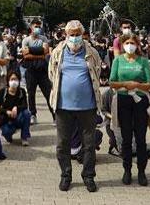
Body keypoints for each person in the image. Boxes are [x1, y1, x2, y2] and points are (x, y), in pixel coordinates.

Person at [49, 20, 103, 193]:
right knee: (62, 144)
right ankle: (66, 175)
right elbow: (52, 74)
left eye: (77, 34)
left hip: (87, 107)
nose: (74, 38)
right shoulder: (58, 52)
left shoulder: (91, 52)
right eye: (71, 34)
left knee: (89, 144)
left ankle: (88, 176)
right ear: (66, 35)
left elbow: (97, 72)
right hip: (63, 106)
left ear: (82, 34)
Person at [109, 33, 150, 186]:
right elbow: (112, 82)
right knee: (126, 139)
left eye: (132, 42)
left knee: (141, 139)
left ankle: (142, 171)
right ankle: (127, 170)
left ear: (137, 44)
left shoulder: (143, 61)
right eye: (126, 43)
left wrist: (137, 85)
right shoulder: (118, 60)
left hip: (140, 101)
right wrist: (125, 84)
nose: (130, 45)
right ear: (122, 45)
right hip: (123, 100)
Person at [22, 19, 54, 125]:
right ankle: (33, 114)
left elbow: (45, 51)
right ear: (31, 27)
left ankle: (54, 115)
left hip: (42, 70)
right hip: (30, 70)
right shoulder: (26, 40)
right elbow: (25, 55)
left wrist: (31, 51)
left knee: (48, 92)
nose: (37, 28)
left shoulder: (43, 38)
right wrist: (39, 53)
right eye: (36, 26)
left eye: (39, 26)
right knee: (31, 94)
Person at [0, 71, 31, 146]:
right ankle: (7, 134)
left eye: (16, 79)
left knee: (27, 113)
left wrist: (16, 108)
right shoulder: (2, 92)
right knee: (7, 135)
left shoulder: (21, 91)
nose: (14, 81)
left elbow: (25, 105)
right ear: (8, 81)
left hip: (18, 117)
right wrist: (6, 111)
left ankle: (24, 137)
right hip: (6, 119)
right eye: (12, 79)